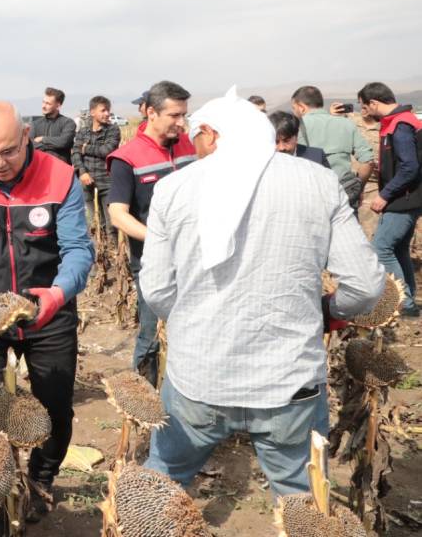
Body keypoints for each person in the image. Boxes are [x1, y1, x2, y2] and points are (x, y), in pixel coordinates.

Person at [140, 87, 385, 496]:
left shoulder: (174, 188)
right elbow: (365, 285)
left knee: (161, 484)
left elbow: (157, 290)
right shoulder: (318, 182)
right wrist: (326, 313)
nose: (192, 142)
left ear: (214, 135)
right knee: (300, 499)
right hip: (288, 384)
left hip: (200, 378)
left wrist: (192, 321)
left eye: (196, 134)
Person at [0, 102, 94, 527]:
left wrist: (57, 294)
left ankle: (41, 478)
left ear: (26, 136)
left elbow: (79, 250)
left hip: (49, 314)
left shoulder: (59, 178)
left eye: (8, 150)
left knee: (56, 409)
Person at [107, 81, 197, 386]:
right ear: (150, 112)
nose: (181, 122)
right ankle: (145, 397)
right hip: (152, 261)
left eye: (184, 114)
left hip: (196, 258)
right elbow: (118, 214)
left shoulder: (189, 146)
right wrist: (159, 239)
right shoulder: (127, 158)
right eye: (174, 115)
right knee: (151, 331)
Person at [357, 82, 422, 317]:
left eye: (364, 107)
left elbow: (409, 167)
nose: (364, 112)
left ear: (374, 103)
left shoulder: (400, 125)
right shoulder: (400, 121)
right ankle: (409, 303)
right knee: (399, 248)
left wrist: (384, 195)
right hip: (408, 198)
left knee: (381, 248)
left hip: (402, 200)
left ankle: (403, 303)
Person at [291, 86, 374, 209]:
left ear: (301, 107)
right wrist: (358, 188)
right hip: (344, 194)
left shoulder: (296, 128)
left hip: (311, 197)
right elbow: (368, 162)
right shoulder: (346, 123)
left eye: (294, 108)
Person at [72, 95, 121, 237]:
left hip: (106, 182)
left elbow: (107, 150)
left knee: (112, 224)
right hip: (87, 183)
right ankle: (98, 254)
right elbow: (75, 153)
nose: (107, 114)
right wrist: (82, 172)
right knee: (95, 223)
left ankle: (114, 255)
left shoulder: (113, 130)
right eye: (103, 110)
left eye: (108, 111)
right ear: (92, 112)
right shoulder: (83, 132)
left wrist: (86, 149)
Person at [29, 87, 76, 162]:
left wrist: (42, 139)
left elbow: (63, 142)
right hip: (40, 168)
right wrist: (54, 145)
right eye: (43, 102)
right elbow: (30, 145)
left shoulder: (68, 123)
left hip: (61, 169)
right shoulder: (35, 124)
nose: (43, 106)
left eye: (48, 103)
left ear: (58, 106)